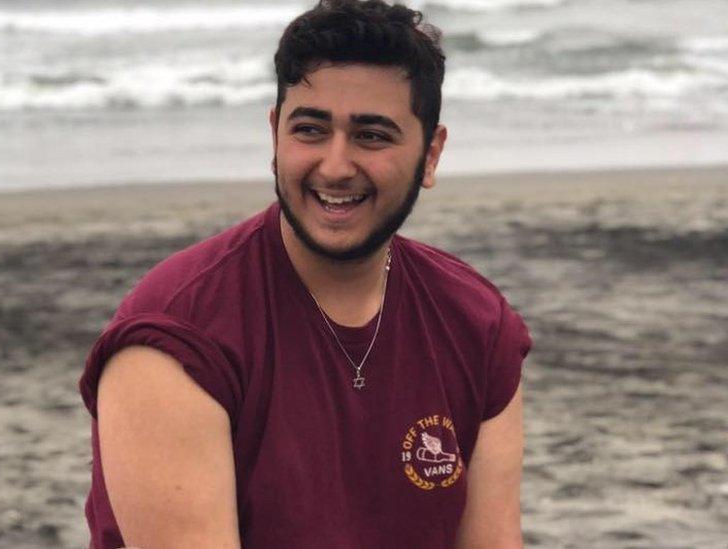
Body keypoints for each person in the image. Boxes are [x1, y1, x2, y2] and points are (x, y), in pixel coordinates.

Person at [79, 1, 532, 547]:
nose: (336, 166)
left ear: (430, 155)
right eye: (311, 129)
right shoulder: (177, 334)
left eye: (373, 135)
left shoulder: (475, 322)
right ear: (275, 138)